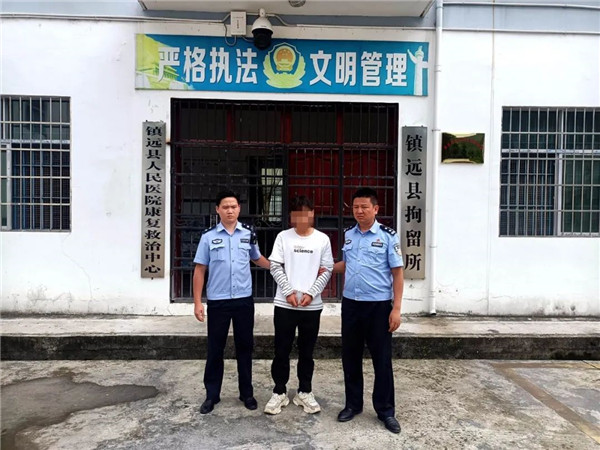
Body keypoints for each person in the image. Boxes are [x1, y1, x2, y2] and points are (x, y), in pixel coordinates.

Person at [333, 187, 404, 434]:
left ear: (375, 209)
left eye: (364, 207)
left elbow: (397, 273)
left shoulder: (388, 236)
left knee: (381, 360)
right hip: (351, 304)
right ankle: (353, 405)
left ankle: (386, 411)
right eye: (355, 207)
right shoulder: (349, 235)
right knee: (350, 357)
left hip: (378, 307)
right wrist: (324, 267)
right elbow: (346, 264)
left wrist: (396, 308)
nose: (359, 211)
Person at [193, 190, 270, 414]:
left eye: (233, 206)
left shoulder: (248, 233)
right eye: (225, 207)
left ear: (239, 209)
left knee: (245, 347)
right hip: (218, 302)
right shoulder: (208, 237)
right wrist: (197, 302)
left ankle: (247, 393)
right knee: (215, 349)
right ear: (218, 209)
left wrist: (280, 266)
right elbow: (200, 269)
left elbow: (257, 258)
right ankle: (211, 395)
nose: (230, 210)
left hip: (243, 300)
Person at [264, 196, 334, 415]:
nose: (302, 218)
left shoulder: (322, 239)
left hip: (311, 307)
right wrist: (288, 292)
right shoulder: (283, 237)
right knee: (281, 350)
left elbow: (327, 269)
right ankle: (279, 391)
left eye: (306, 213)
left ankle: (305, 391)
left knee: (307, 352)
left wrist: (312, 293)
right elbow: (275, 266)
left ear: (312, 213)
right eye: (297, 214)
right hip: (285, 305)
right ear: (291, 216)